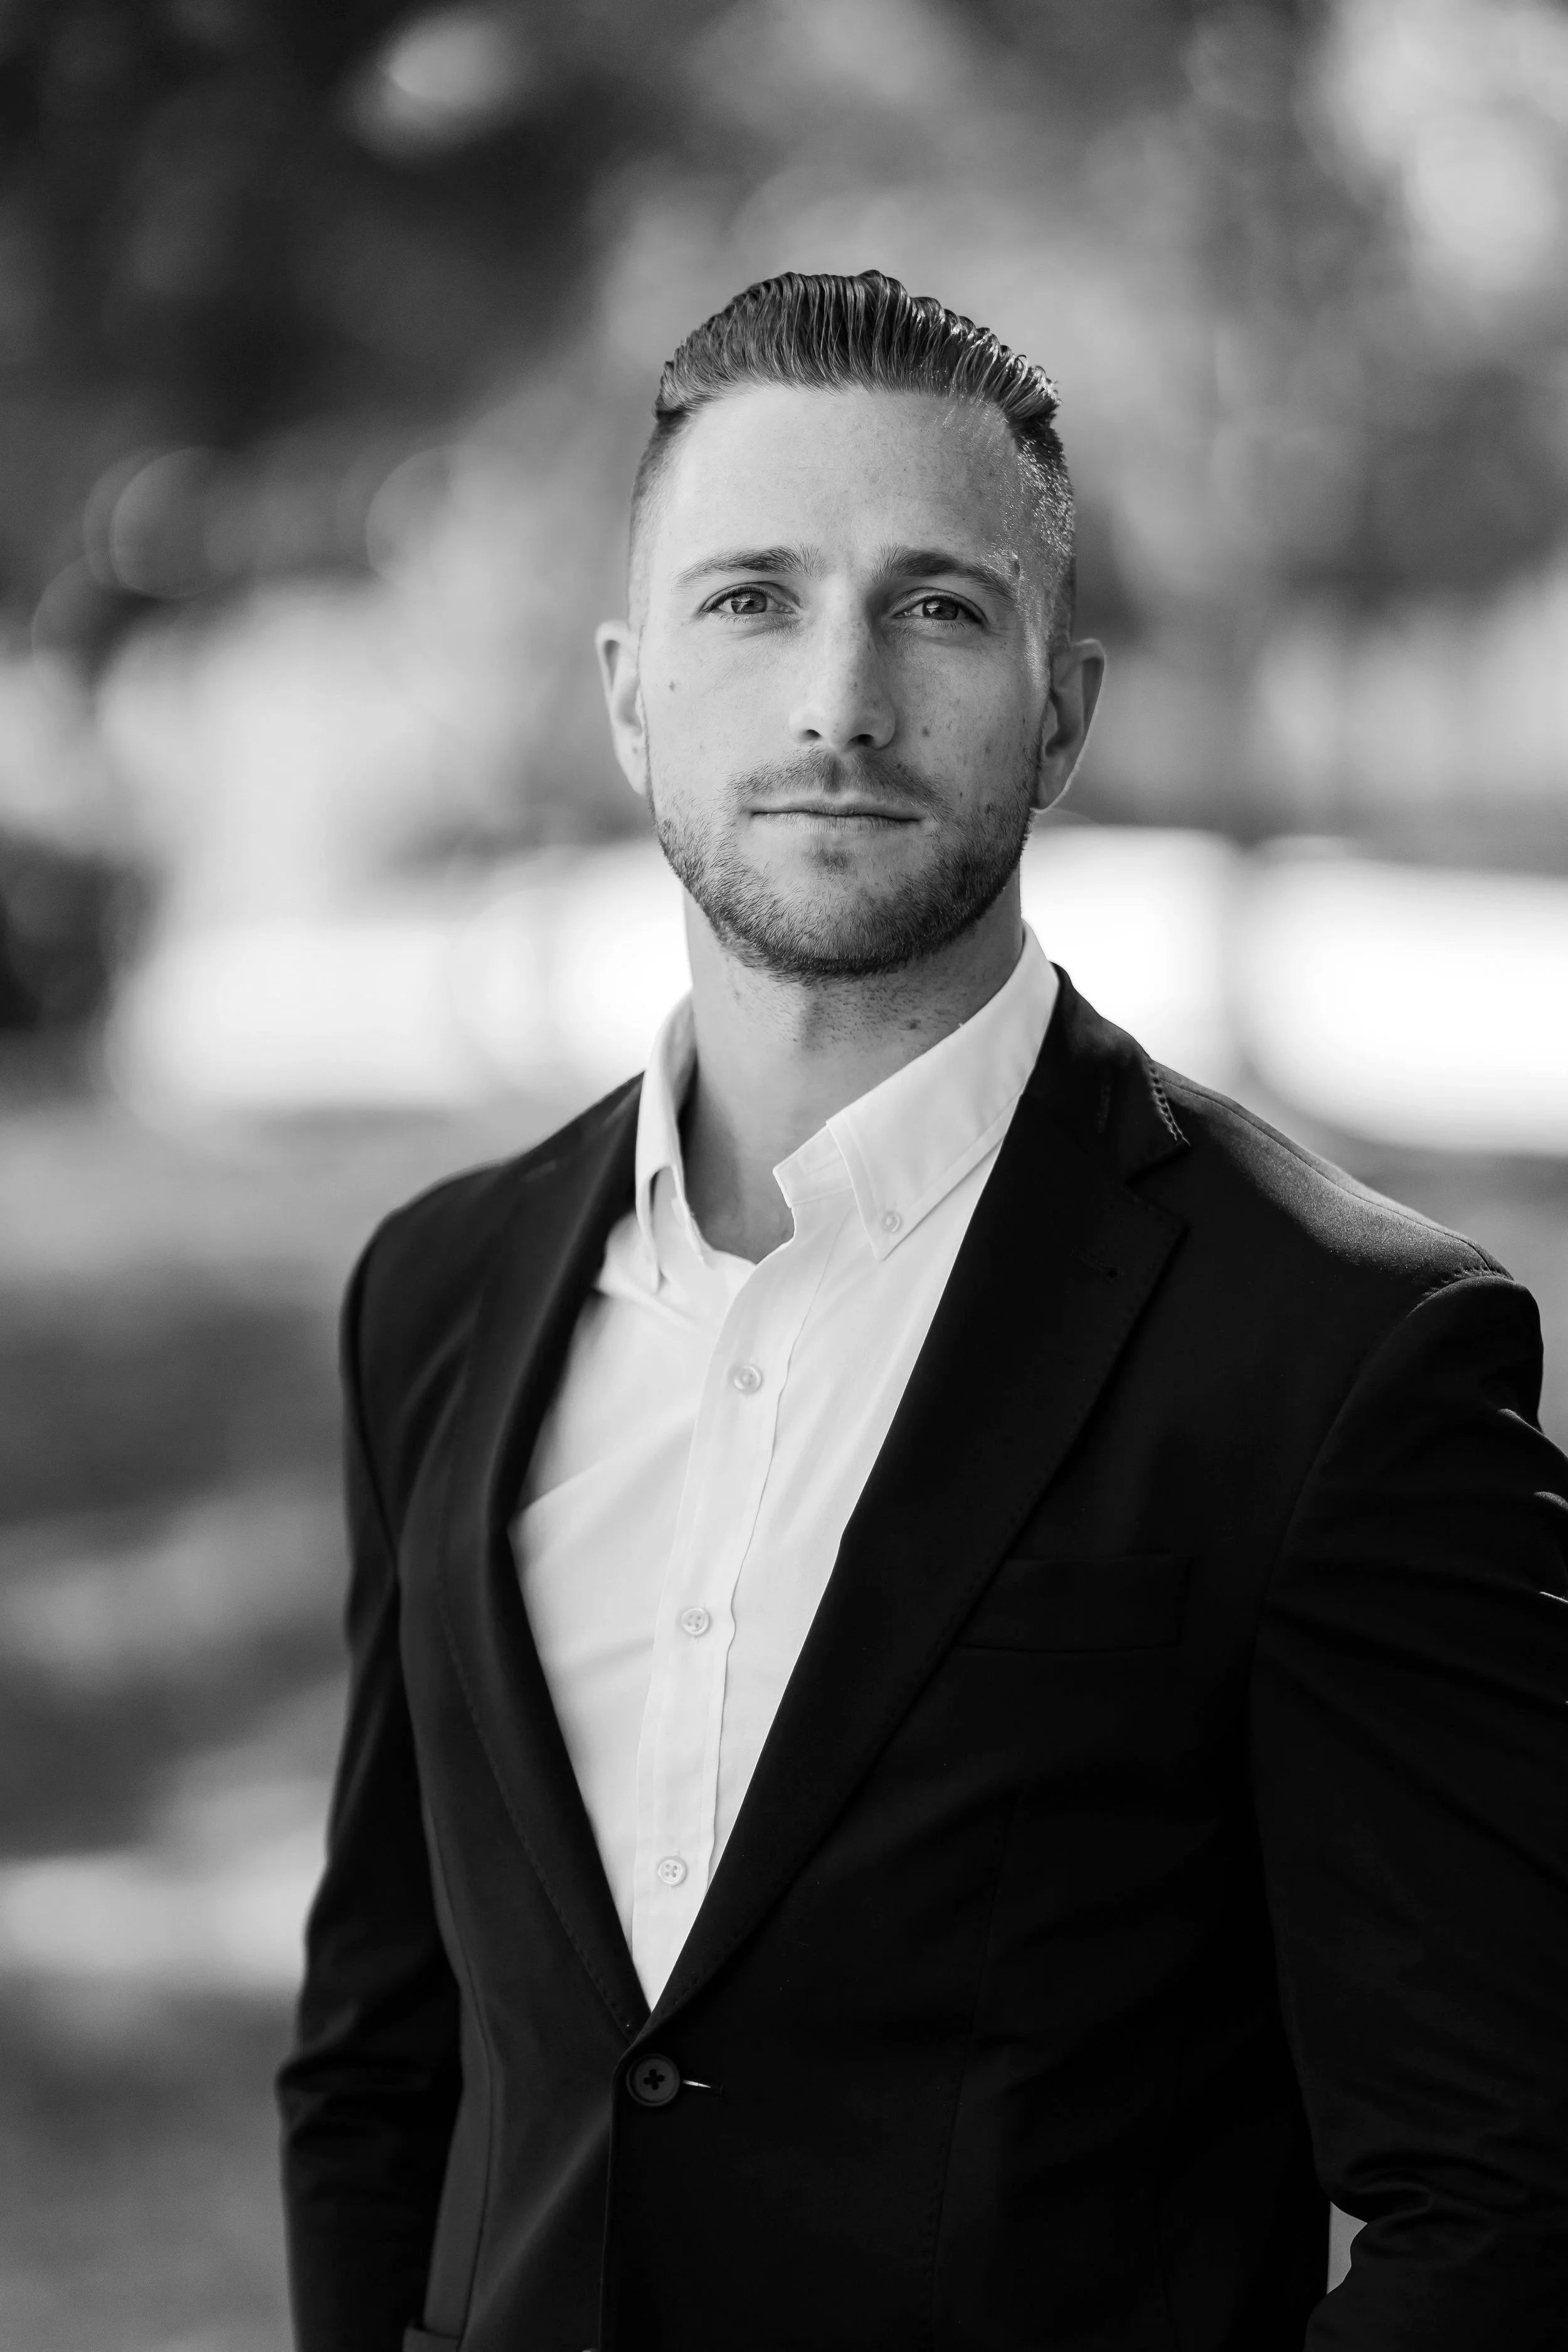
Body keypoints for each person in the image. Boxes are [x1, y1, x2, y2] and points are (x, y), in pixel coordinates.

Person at [277, 271, 1568, 2352]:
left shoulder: (1341, 1355)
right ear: (627, 693)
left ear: (1060, 711)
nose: (838, 701)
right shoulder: (435, 1294)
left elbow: (1501, 2198)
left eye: (939, 609)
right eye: (749, 600)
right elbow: (381, 2071)